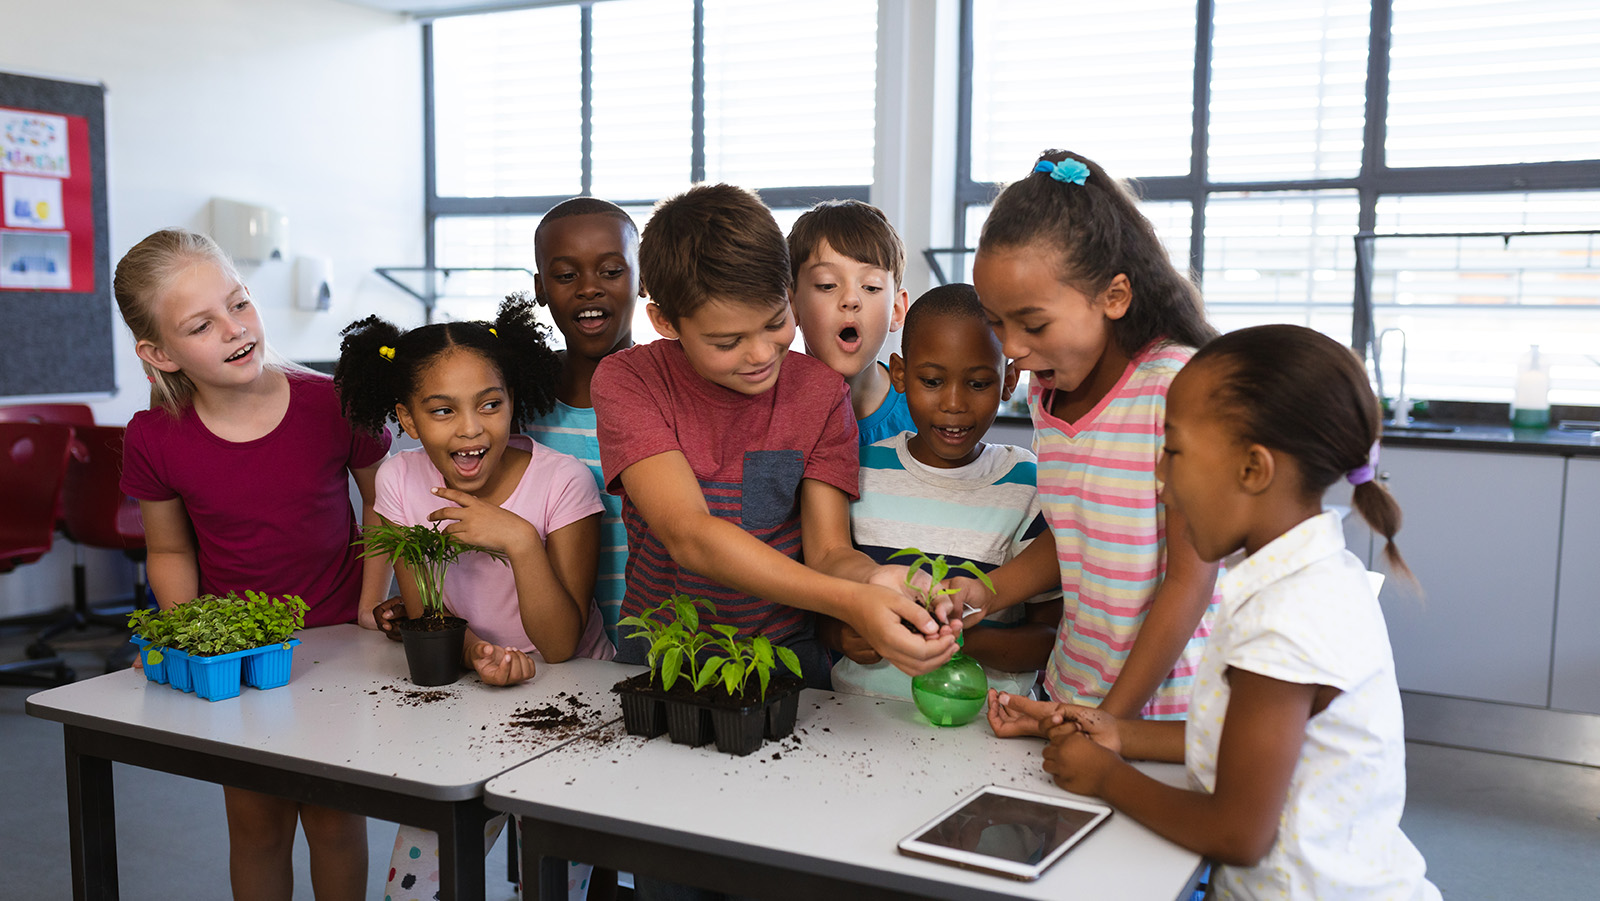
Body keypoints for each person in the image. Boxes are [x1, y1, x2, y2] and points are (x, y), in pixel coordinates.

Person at [992, 324, 1442, 900]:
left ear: (1253, 469)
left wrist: (1108, 777)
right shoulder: (1301, 578)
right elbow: (1240, 739)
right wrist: (1117, 734)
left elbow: (1237, 832)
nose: (1160, 481)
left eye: (1173, 452)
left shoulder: (1289, 617)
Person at [591, 183, 959, 690]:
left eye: (775, 323)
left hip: (786, 665)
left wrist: (882, 580)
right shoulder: (628, 381)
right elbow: (690, 536)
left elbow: (829, 553)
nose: (762, 354)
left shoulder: (821, 393)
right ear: (663, 321)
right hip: (661, 660)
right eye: (728, 341)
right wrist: (851, 600)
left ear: (788, 293)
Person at [115, 228, 388, 901]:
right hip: (237, 665)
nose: (235, 329)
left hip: (341, 650)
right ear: (159, 353)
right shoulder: (155, 438)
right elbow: (172, 548)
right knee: (257, 827)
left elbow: (386, 501)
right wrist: (188, 637)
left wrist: (372, 600)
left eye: (239, 304)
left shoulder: (334, 402)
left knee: (333, 824)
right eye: (202, 324)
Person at [335, 294, 612, 901]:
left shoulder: (561, 480)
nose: (470, 427)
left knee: (547, 883)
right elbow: (428, 617)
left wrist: (516, 538)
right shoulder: (400, 478)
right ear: (407, 420)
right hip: (465, 689)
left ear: (513, 402)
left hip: (572, 699)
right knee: (414, 887)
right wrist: (477, 657)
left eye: (490, 404)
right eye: (442, 411)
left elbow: (561, 645)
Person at [956, 150, 1221, 721]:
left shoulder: (1177, 390)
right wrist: (990, 591)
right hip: (1072, 696)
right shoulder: (1050, 398)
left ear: (1115, 297)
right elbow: (1083, 535)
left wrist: (1110, 724)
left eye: (1034, 323)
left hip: (1161, 715)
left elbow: (1189, 581)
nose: (1013, 349)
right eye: (996, 322)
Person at [828, 283, 1062, 700]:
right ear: (899, 373)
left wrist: (952, 640)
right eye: (933, 381)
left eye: (977, 384)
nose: (954, 404)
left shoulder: (1028, 483)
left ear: (1010, 381)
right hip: (859, 720)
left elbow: (1049, 637)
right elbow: (825, 610)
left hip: (983, 734)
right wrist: (844, 634)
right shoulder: (861, 470)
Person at [525, 196, 645, 649]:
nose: (589, 288)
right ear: (540, 287)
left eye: (612, 271)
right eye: (566, 275)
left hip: (660, 653)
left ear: (643, 277)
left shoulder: (676, 397)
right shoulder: (514, 409)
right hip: (545, 657)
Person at [787, 199, 914, 445]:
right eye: (827, 285)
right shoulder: (767, 410)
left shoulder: (925, 412)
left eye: (871, 286)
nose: (850, 300)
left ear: (897, 310)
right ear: (791, 306)